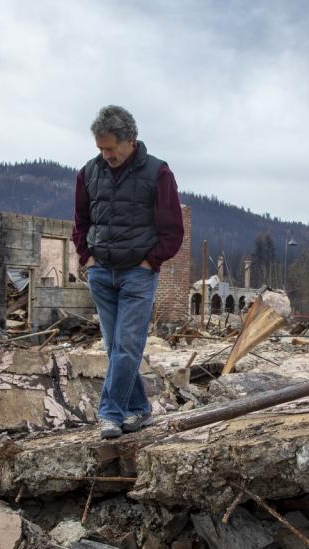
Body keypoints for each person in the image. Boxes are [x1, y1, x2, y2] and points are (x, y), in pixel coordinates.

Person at [72, 105, 184, 439]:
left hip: (138, 273)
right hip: (101, 273)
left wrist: (151, 262)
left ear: (130, 140)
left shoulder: (158, 173)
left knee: (126, 347)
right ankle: (139, 408)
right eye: (100, 149)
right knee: (116, 348)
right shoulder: (88, 173)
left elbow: (173, 230)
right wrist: (86, 258)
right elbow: (80, 222)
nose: (105, 155)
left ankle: (109, 413)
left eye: (110, 148)